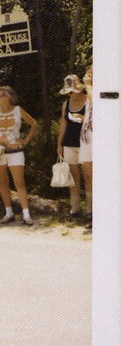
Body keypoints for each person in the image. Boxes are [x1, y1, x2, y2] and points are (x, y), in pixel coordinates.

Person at [0, 86, 38, 226]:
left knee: (20, 183)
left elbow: (34, 124)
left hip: (15, 150)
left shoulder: (18, 110)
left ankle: (26, 215)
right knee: (3, 183)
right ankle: (9, 213)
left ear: (8, 97)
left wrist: (25, 140)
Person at [56, 74, 88, 219]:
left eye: (72, 90)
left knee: (88, 176)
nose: (71, 94)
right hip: (69, 143)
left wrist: (83, 119)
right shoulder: (66, 104)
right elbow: (63, 124)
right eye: (68, 91)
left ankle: (91, 210)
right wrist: (59, 143)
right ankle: (75, 208)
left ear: (80, 88)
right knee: (73, 177)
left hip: (85, 143)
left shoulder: (89, 101)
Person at [80, 66, 93, 230]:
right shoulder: (89, 94)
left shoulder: (104, 89)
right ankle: (91, 212)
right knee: (88, 177)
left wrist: (89, 86)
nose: (88, 76)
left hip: (99, 138)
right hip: (86, 137)